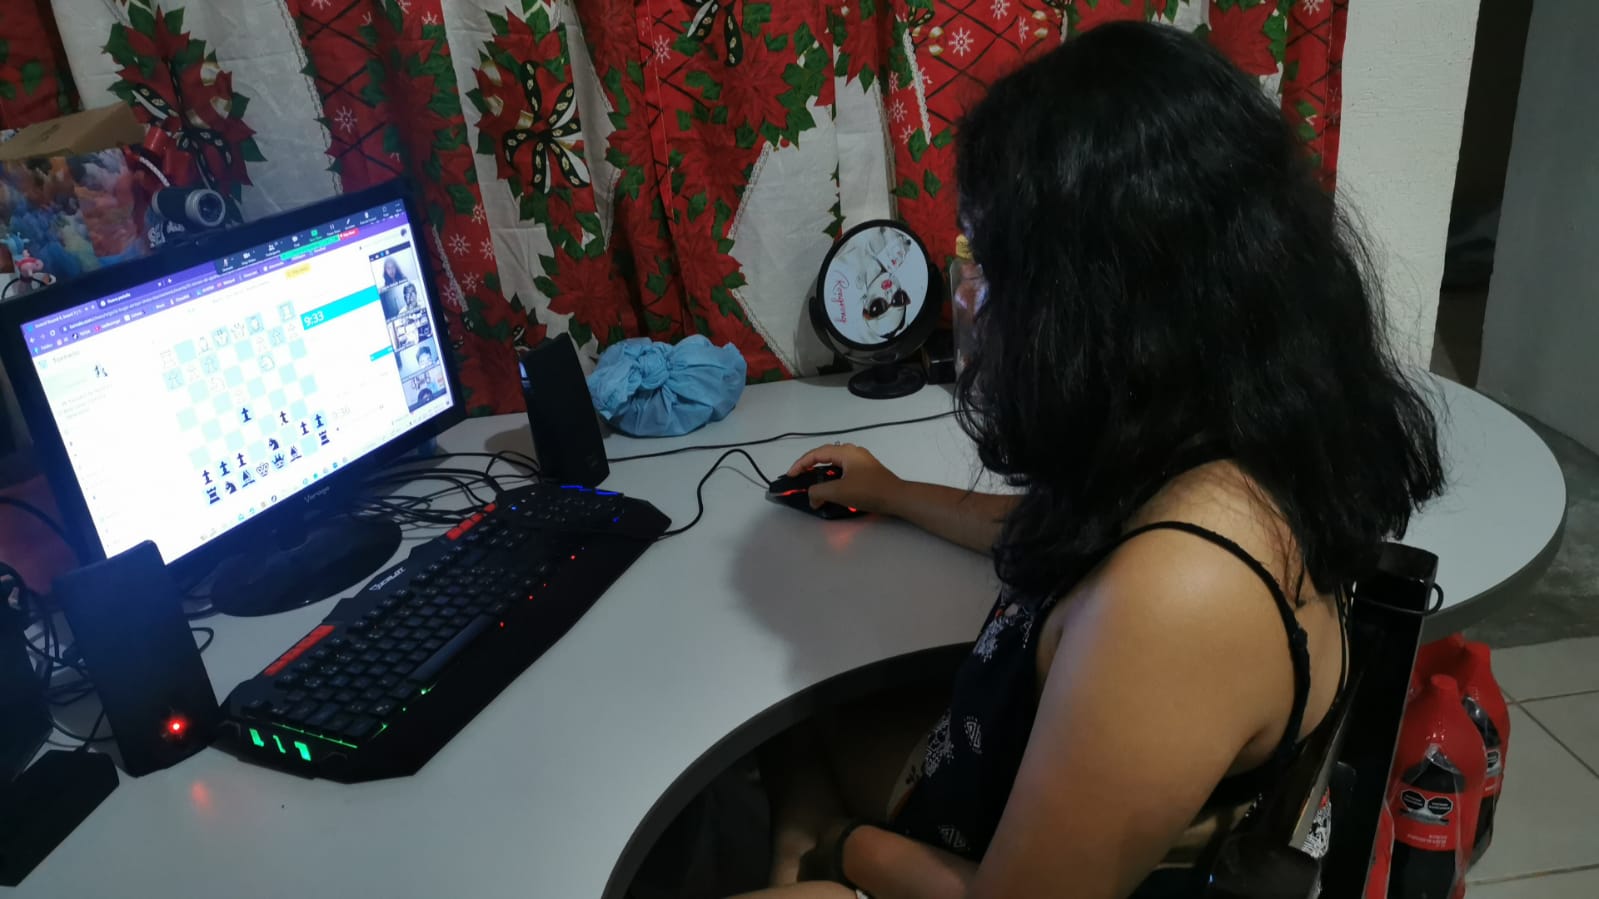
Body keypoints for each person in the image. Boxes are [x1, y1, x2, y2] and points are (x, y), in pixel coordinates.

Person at [739, 22, 1443, 899]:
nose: (975, 299)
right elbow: (1072, 536)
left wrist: (848, 852)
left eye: (989, 263)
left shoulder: (1178, 596)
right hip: (998, 788)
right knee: (794, 736)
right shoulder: (1233, 428)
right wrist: (893, 492)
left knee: (789, 807)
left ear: (1088, 301)